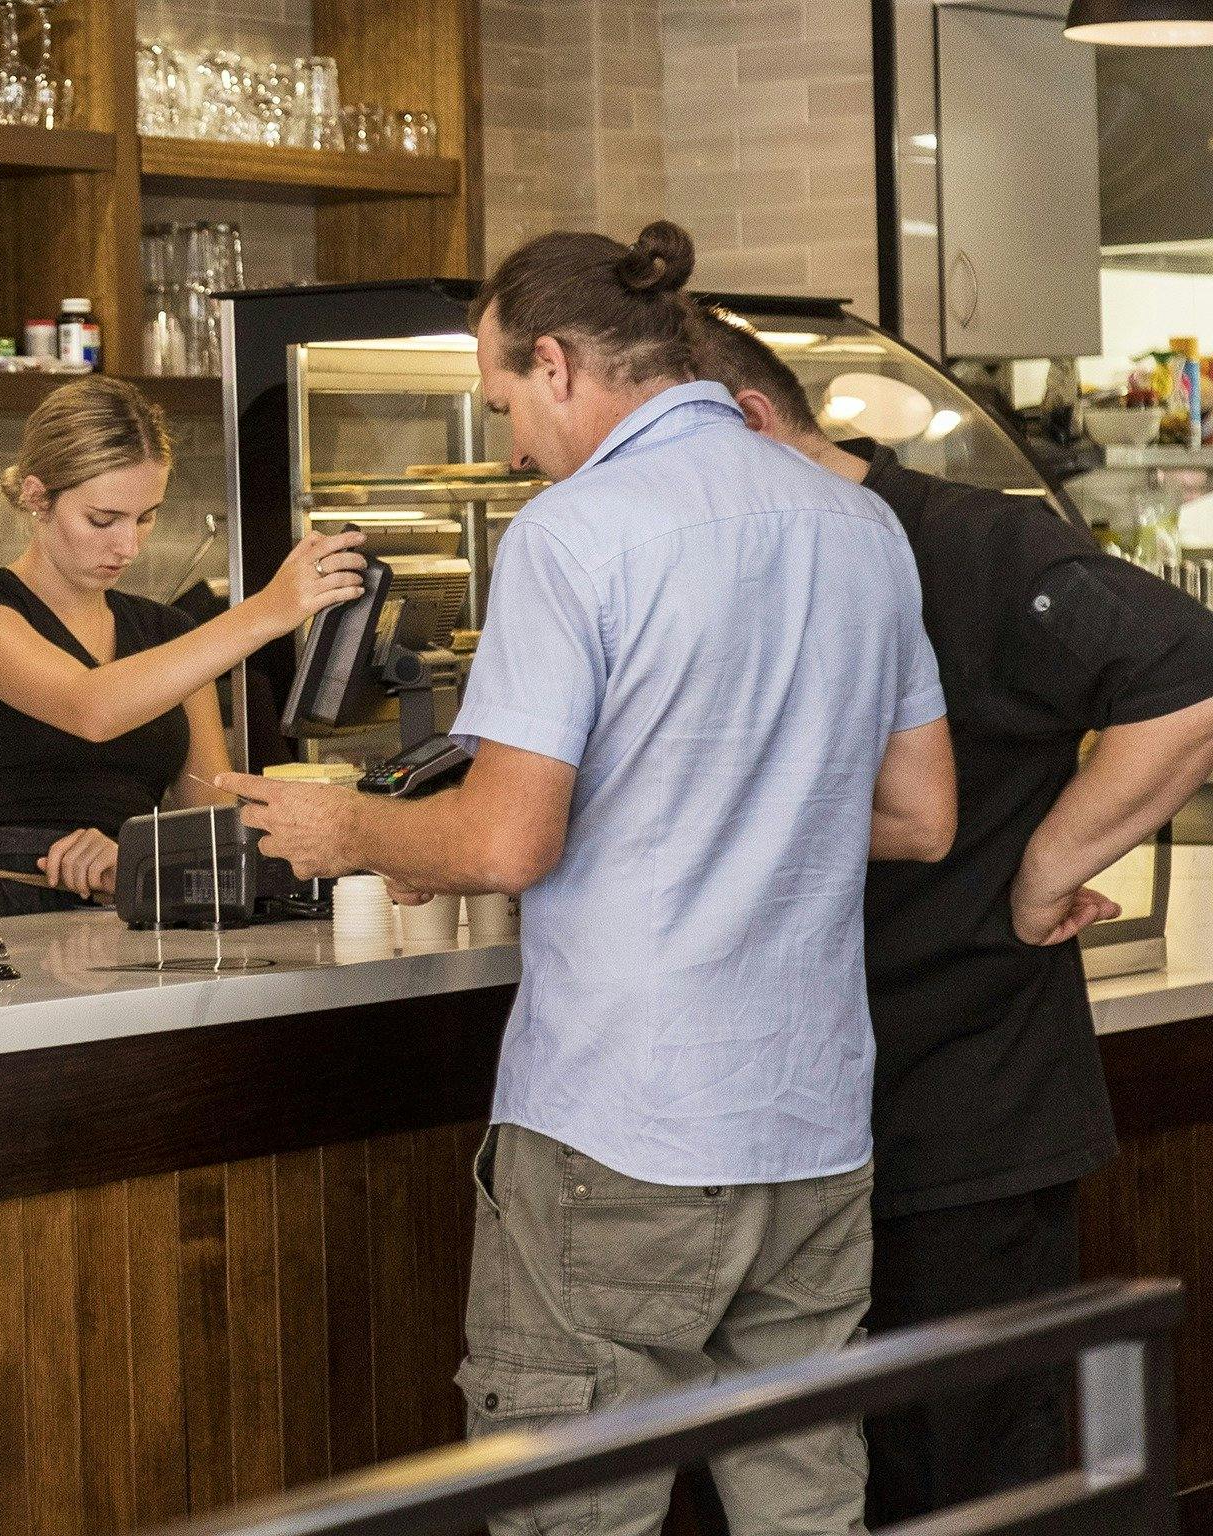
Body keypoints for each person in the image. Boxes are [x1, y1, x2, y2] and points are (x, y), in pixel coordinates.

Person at [220, 221, 958, 1536]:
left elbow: (507, 844)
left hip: (624, 1128)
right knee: (806, 1512)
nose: (509, 443)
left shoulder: (574, 536)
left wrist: (352, 834)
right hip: (812, 1124)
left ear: (557, 364)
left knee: (577, 1518)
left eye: (505, 401)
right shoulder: (862, 528)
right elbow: (918, 813)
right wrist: (732, 799)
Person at [696, 311, 1213, 1525]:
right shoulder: (734, 569)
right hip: (779, 1123)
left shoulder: (973, 542)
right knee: (809, 1480)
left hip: (967, 1105)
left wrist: (1044, 871)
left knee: (981, 1474)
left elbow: (1188, 676)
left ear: (754, 424)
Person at [0, 376, 368, 918]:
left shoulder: (169, 633)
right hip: (5, 922)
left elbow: (209, 831)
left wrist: (134, 862)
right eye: (103, 519)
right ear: (38, 498)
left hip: (132, 921)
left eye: (146, 516)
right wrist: (266, 611)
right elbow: (90, 707)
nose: (129, 545)